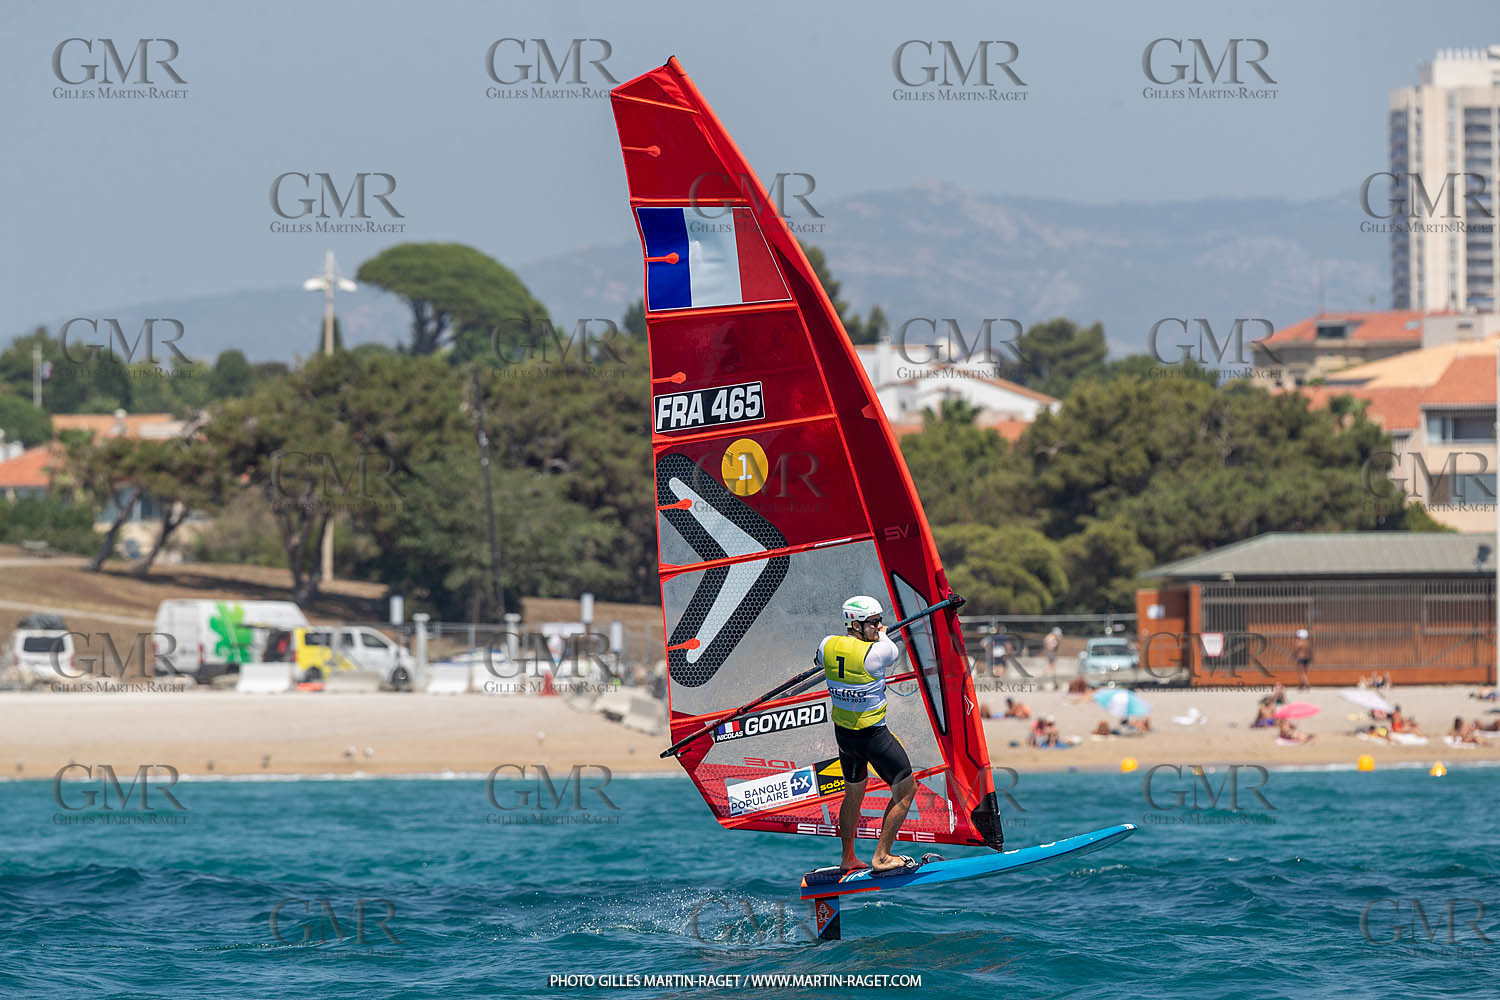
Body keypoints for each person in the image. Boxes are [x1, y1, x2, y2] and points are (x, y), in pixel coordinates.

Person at [816, 595, 917, 874]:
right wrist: (883, 635)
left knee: (853, 796)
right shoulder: (877, 654)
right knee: (906, 790)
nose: (879, 626)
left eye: (879, 621)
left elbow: (819, 660)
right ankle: (882, 856)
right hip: (873, 737)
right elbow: (891, 650)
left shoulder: (826, 644)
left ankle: (848, 857)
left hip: (845, 738)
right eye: (874, 622)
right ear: (855, 624)